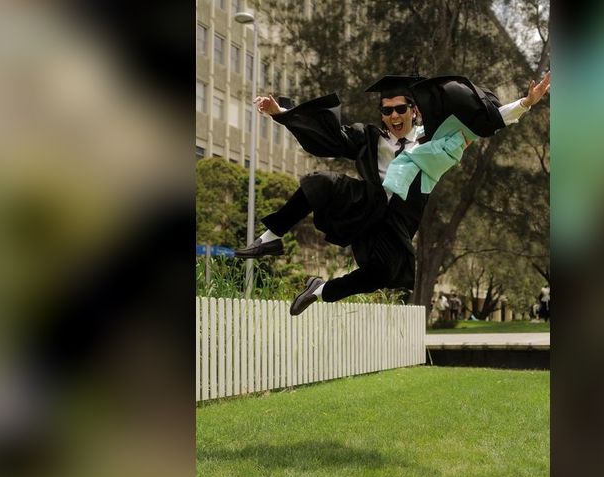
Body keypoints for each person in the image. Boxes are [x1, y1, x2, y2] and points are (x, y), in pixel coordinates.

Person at [235, 72, 551, 315]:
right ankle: (269, 238)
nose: (394, 116)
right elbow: (327, 134)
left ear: (414, 110)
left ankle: (320, 290)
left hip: (398, 219)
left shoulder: (437, 138)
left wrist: (526, 103)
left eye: (400, 109)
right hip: (366, 203)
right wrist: (281, 113)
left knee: (381, 274)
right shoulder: (369, 137)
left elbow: (487, 122)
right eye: (387, 111)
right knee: (319, 182)